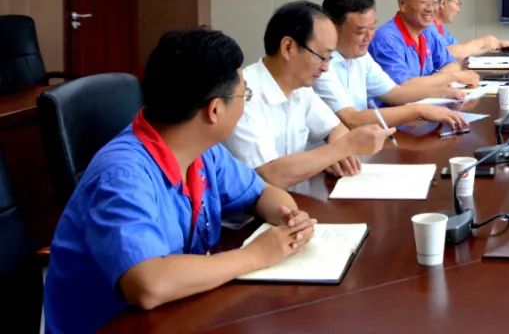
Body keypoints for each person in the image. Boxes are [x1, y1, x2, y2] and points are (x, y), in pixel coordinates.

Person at [45, 29, 318, 333]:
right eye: (246, 95)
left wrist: (288, 217)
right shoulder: (123, 175)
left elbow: (261, 192)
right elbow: (148, 284)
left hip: (182, 311)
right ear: (215, 110)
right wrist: (256, 254)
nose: (246, 103)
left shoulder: (203, 151)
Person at [225, 1, 395, 190]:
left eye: (329, 58)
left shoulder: (300, 88)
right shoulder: (243, 96)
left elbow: (335, 128)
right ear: (288, 47)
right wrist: (343, 147)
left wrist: (338, 153)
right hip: (256, 207)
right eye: (322, 56)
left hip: (297, 199)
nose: (326, 67)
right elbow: (269, 175)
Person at [316, 0, 469, 129]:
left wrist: (443, 93)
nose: (369, 37)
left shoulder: (360, 56)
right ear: (333, 28)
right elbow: (352, 119)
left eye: (372, 27)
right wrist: (418, 110)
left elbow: (395, 93)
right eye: (360, 31)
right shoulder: (320, 64)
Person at [369, 0, 480, 86]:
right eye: (424, 2)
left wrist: (437, 79)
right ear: (402, 4)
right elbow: (404, 87)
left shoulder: (427, 32)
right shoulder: (387, 39)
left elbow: (451, 64)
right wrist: (451, 77)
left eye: (434, 2)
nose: (431, 9)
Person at [430, 0, 509, 59]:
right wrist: (482, 43)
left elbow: (461, 51)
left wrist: (496, 44)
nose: (458, 10)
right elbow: (446, 53)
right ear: (443, 3)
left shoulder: (442, 31)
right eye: (457, 3)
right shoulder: (427, 29)